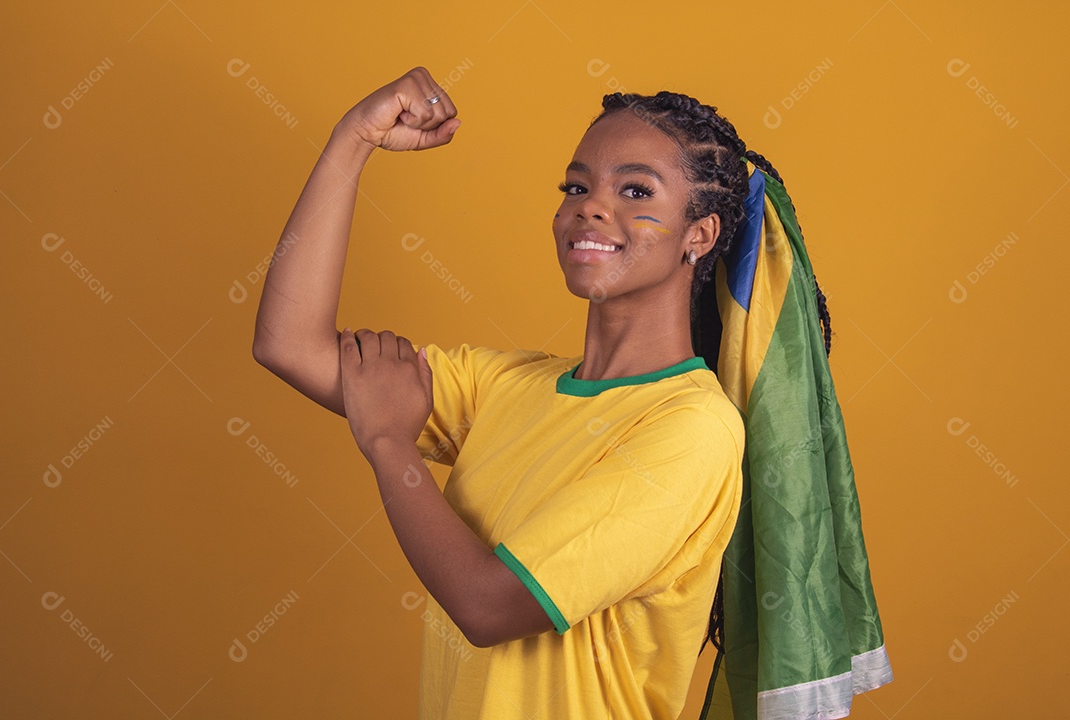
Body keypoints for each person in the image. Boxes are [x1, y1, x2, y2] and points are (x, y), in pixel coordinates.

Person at [251, 67, 836, 719]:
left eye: (635, 189)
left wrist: (389, 443)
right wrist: (352, 139)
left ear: (698, 235)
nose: (589, 206)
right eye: (577, 186)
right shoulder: (502, 387)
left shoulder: (694, 429)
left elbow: (491, 606)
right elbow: (290, 344)